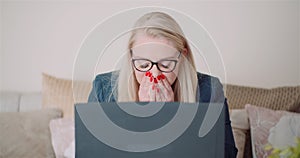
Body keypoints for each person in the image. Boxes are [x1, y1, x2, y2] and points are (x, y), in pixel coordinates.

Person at [88, 11, 238, 157]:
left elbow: (226, 154)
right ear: (131, 56)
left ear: (182, 57)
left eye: (166, 65)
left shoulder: (209, 91)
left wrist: (170, 118)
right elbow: (90, 152)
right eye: (143, 64)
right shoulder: (103, 89)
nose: (154, 75)